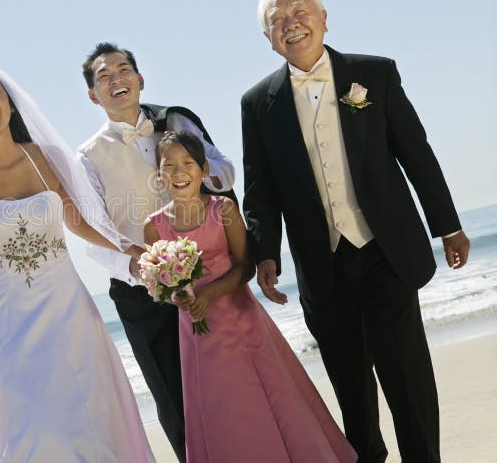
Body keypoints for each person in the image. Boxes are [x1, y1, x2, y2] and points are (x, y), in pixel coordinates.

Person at [241, 0, 471, 463]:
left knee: (406, 379)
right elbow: (260, 187)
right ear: (267, 38)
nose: (291, 24)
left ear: (325, 18)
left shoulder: (374, 73)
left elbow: (416, 152)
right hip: (321, 264)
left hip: (385, 251)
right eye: (277, 21)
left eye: (299, 12)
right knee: (352, 393)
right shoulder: (257, 102)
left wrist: (446, 224)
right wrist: (264, 251)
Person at [0, 63, 155, 462]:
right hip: (11, 319)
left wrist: (127, 249)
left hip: (69, 308)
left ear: (10, 104)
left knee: (91, 411)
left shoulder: (44, 157)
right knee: (32, 423)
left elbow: (78, 222)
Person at [143, 131, 356, 463]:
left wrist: (210, 292)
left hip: (241, 320)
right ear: (158, 174)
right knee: (221, 406)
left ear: (202, 170)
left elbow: (245, 266)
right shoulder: (153, 227)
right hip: (198, 333)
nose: (178, 172)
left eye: (187, 163)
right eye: (168, 165)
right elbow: (160, 280)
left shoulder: (223, 208)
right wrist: (177, 297)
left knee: (268, 396)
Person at [76, 42, 236, 462]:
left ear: (140, 79)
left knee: (228, 383)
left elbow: (224, 171)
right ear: (93, 95)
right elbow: (95, 232)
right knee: (174, 398)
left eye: (123, 70)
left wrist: (189, 174)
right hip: (142, 293)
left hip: (209, 276)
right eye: (104, 77)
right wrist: (139, 267)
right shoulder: (86, 157)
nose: (116, 80)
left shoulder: (176, 120)